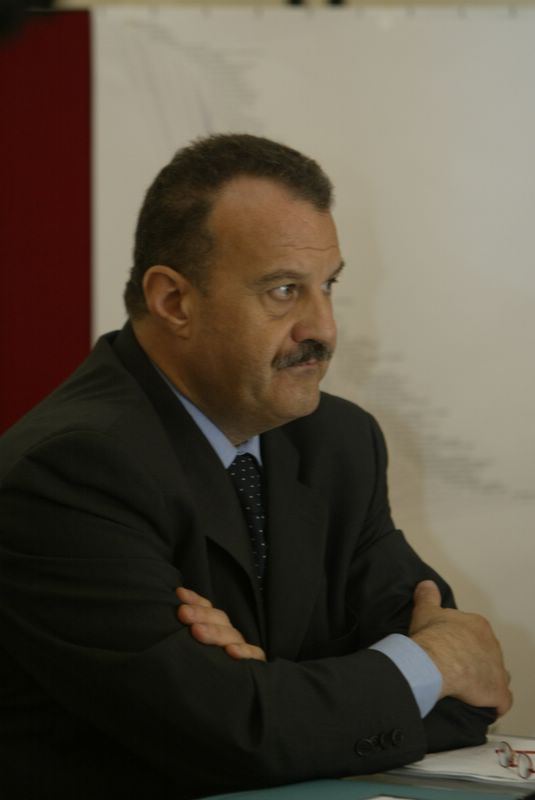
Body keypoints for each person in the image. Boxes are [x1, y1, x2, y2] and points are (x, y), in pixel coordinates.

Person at [0, 134, 511, 800]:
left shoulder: (337, 441)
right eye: (283, 290)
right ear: (174, 301)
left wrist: (269, 694)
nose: (323, 328)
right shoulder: (69, 470)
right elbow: (231, 737)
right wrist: (412, 670)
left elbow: (469, 696)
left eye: (328, 286)